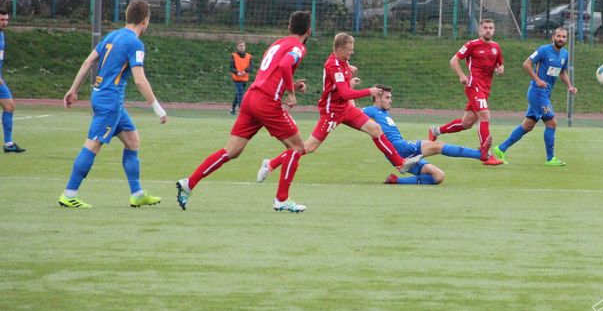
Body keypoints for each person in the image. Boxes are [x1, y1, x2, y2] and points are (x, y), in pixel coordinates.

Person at [176, 11, 313, 213]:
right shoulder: (298, 47)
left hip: (251, 98)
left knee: (231, 151)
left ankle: (189, 183)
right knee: (297, 148)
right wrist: (291, 93)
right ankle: (281, 199)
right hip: (267, 103)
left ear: (288, 28)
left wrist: (290, 85)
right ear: (308, 31)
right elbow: (285, 65)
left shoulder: (277, 43)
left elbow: (272, 73)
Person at [259, 33, 422, 181]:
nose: (352, 52)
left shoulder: (343, 61)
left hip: (345, 109)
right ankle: (270, 164)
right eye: (349, 49)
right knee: (308, 147)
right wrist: (369, 91)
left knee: (376, 129)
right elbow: (345, 93)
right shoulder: (332, 66)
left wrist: (349, 70)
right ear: (339, 49)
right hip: (332, 112)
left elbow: (343, 81)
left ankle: (400, 164)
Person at [59, 0, 167, 208]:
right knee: (93, 144)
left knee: (133, 142)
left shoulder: (113, 35)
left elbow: (88, 61)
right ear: (145, 21)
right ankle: (69, 193)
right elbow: (140, 80)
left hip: (104, 97)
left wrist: (74, 89)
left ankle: (137, 194)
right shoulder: (135, 43)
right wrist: (157, 107)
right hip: (110, 101)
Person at [361, 85, 496, 184]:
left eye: (390, 97)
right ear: (377, 97)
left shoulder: (383, 112)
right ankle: (480, 155)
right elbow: (351, 112)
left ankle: (396, 181)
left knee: (438, 176)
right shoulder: (371, 110)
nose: (390, 100)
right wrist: (349, 85)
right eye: (387, 97)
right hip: (397, 146)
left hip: (400, 152)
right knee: (437, 146)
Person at [494, 26, 577, 166]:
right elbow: (526, 64)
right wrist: (537, 80)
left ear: (566, 39)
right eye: (559, 36)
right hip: (537, 93)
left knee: (528, 125)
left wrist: (569, 86)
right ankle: (551, 159)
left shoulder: (564, 54)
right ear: (553, 37)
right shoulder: (544, 50)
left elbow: (562, 72)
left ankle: (500, 149)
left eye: (563, 37)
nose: (561, 39)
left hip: (545, 94)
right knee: (551, 123)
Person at [428, 18, 504, 165]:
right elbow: (453, 60)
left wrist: (500, 69)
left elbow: (499, 66)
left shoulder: (496, 47)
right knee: (485, 117)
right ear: (480, 30)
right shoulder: (472, 45)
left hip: (485, 88)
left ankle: (435, 131)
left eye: (491, 28)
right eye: (485, 27)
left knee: (467, 123)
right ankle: (486, 155)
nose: (488, 30)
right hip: (473, 86)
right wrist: (462, 76)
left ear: (494, 30)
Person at [0, 10, 25, 153]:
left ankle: (8, 144)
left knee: (9, 107)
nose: (4, 22)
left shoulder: (2, 35)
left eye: (6, 19)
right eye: (2, 19)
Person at [229, 40, 253, 115]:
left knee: (238, 94)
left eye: (243, 46)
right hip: (236, 78)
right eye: (240, 46)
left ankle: (232, 108)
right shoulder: (233, 56)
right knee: (240, 92)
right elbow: (231, 68)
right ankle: (242, 110)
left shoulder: (249, 56)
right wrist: (237, 72)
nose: (242, 47)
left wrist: (245, 71)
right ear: (237, 47)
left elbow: (251, 67)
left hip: (244, 78)